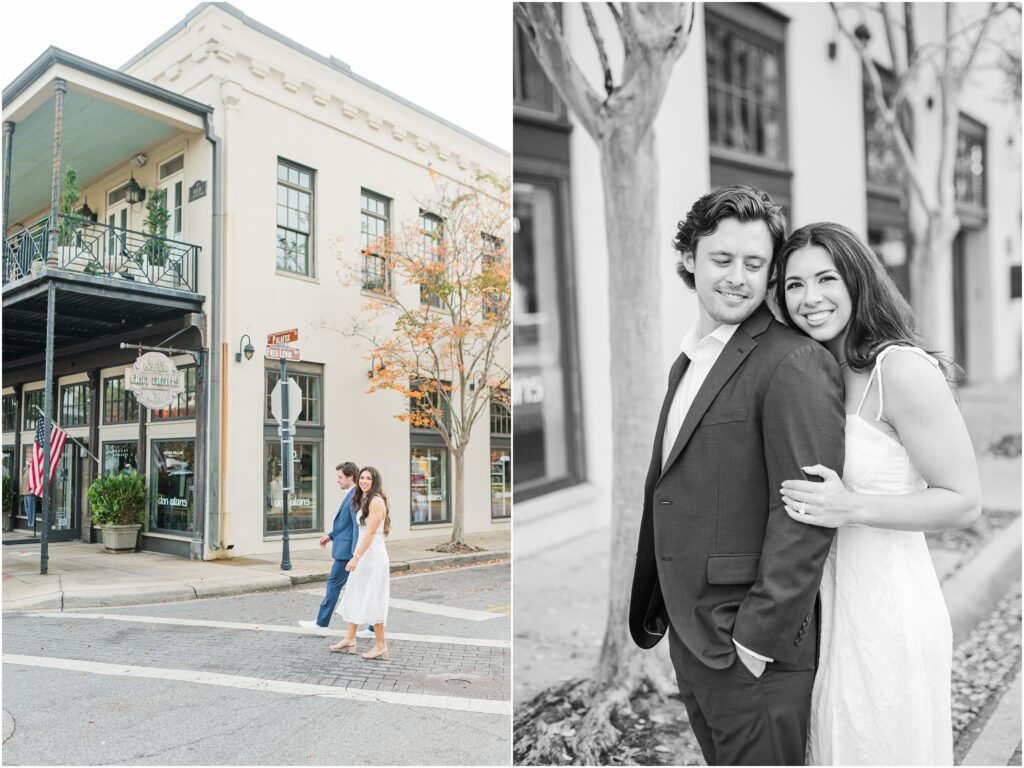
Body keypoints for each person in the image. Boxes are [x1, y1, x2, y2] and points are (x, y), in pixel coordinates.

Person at [628, 185, 846, 766]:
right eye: (722, 259)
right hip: (692, 634)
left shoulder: (794, 361)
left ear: (770, 273)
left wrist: (755, 640)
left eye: (754, 264)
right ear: (689, 259)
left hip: (750, 651)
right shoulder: (690, 360)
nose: (737, 278)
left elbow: (807, 515)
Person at [775, 221, 981, 765]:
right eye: (794, 284)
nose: (810, 298)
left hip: (887, 611)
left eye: (826, 278)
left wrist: (850, 507)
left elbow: (963, 500)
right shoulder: (816, 371)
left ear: (857, 280)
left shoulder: (900, 369)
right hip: (827, 610)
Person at [333, 466, 391, 659]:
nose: (364, 481)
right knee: (355, 593)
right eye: (362, 478)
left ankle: (381, 645)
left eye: (368, 478)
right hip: (364, 554)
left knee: (373, 598)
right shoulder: (364, 499)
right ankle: (350, 638)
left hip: (373, 557)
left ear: (375, 482)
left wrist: (356, 556)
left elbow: (371, 533)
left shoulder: (376, 501)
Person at [297, 461, 360, 631]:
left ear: (350, 477)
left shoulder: (354, 496)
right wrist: (331, 536)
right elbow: (346, 525)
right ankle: (373, 627)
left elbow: (356, 527)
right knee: (363, 588)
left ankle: (321, 623)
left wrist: (355, 554)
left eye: (340, 477)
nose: (337, 480)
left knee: (333, 585)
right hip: (348, 551)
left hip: (347, 553)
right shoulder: (351, 494)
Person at [21, 458, 37, 530]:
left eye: (29, 459)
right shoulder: (26, 468)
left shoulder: (33, 469)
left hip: (30, 492)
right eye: (27, 459)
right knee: (26, 508)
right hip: (25, 492)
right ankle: (30, 522)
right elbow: (23, 479)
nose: (28, 460)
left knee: (31, 509)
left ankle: (32, 523)